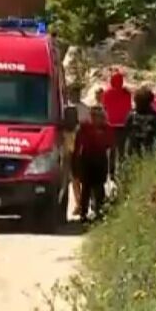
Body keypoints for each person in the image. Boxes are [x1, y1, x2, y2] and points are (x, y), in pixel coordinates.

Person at [72, 105, 113, 222]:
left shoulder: (106, 128)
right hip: (87, 160)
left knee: (99, 188)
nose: (95, 118)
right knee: (86, 188)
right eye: (93, 115)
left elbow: (110, 145)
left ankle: (99, 211)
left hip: (100, 160)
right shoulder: (84, 128)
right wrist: (75, 165)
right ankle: (84, 213)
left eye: (98, 116)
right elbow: (77, 147)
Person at [102, 71, 132, 179]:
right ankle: (123, 171)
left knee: (111, 151)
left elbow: (104, 107)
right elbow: (129, 108)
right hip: (123, 125)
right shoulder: (127, 94)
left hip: (111, 126)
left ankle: (111, 172)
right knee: (122, 150)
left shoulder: (107, 93)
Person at [124, 86, 156, 158]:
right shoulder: (155, 116)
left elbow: (126, 131)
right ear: (150, 101)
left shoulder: (131, 115)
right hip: (150, 151)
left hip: (133, 151)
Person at [67, 84, 90, 217]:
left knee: (82, 177)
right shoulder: (66, 108)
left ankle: (83, 204)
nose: (74, 95)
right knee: (74, 178)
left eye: (76, 93)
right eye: (72, 93)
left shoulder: (85, 109)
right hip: (71, 146)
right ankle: (78, 203)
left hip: (83, 147)